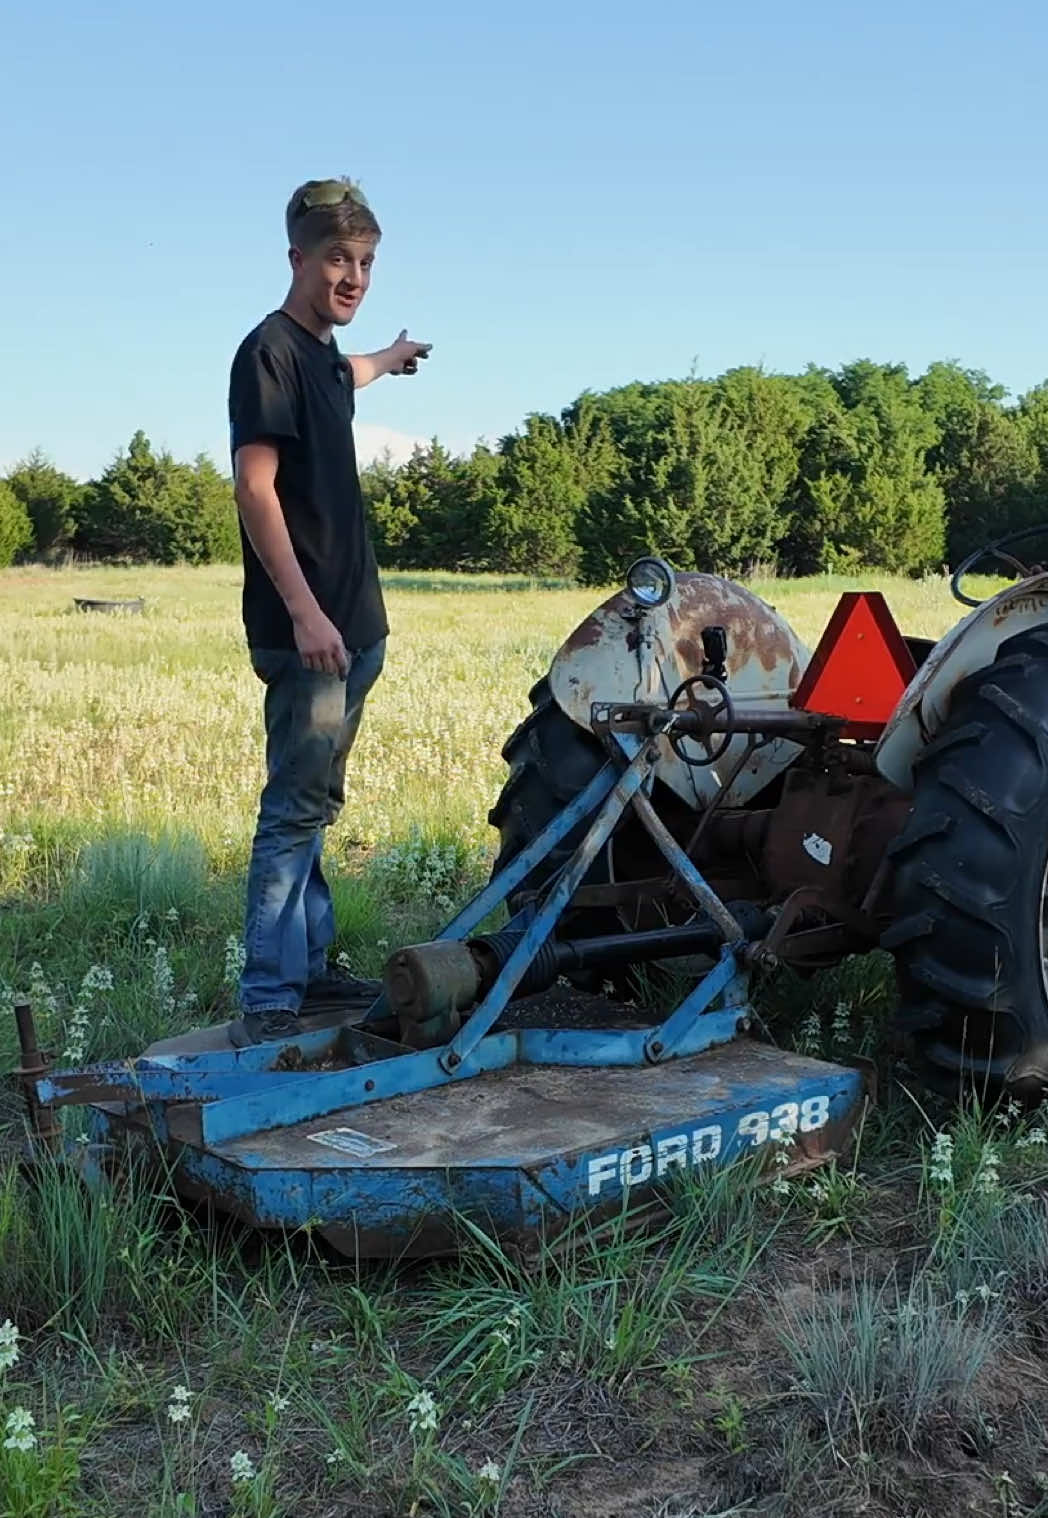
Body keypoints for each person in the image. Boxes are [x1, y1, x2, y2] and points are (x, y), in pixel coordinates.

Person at [227, 176, 431, 1046]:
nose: (353, 276)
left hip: (357, 631)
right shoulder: (268, 351)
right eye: (338, 259)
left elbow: (343, 376)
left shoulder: (318, 357)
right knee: (293, 810)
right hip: (310, 633)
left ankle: (306, 971)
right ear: (296, 259)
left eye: (367, 261)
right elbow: (254, 488)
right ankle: (270, 999)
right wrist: (307, 615)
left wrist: (387, 358)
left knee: (317, 804)